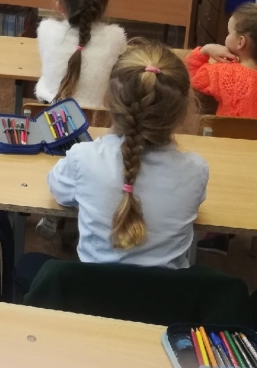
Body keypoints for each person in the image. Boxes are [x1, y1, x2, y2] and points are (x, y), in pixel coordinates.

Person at [47, 40, 209, 268]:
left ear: (108, 100)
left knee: (30, 264)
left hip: (91, 289)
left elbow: (58, 190)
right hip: (167, 292)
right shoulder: (196, 170)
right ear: (183, 112)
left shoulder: (83, 158)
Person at [35, 0, 127, 108]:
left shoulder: (46, 29)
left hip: (52, 113)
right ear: (103, 8)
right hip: (97, 116)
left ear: (60, 6)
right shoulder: (116, 36)